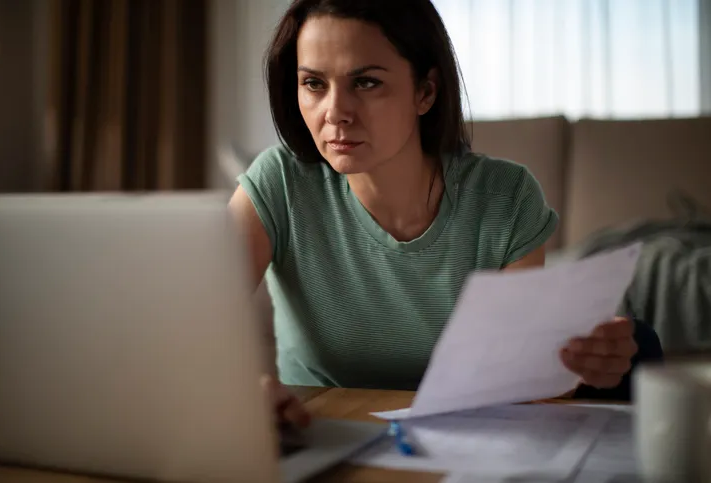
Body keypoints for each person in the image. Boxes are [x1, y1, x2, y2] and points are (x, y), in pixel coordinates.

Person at [229, 0, 644, 429]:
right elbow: (192, 323)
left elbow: (527, 377)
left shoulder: (507, 197)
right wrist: (244, 390)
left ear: (426, 91)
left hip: (469, 442)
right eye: (314, 83)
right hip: (319, 437)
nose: (335, 112)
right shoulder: (279, 182)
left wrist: (580, 365)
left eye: (367, 82)